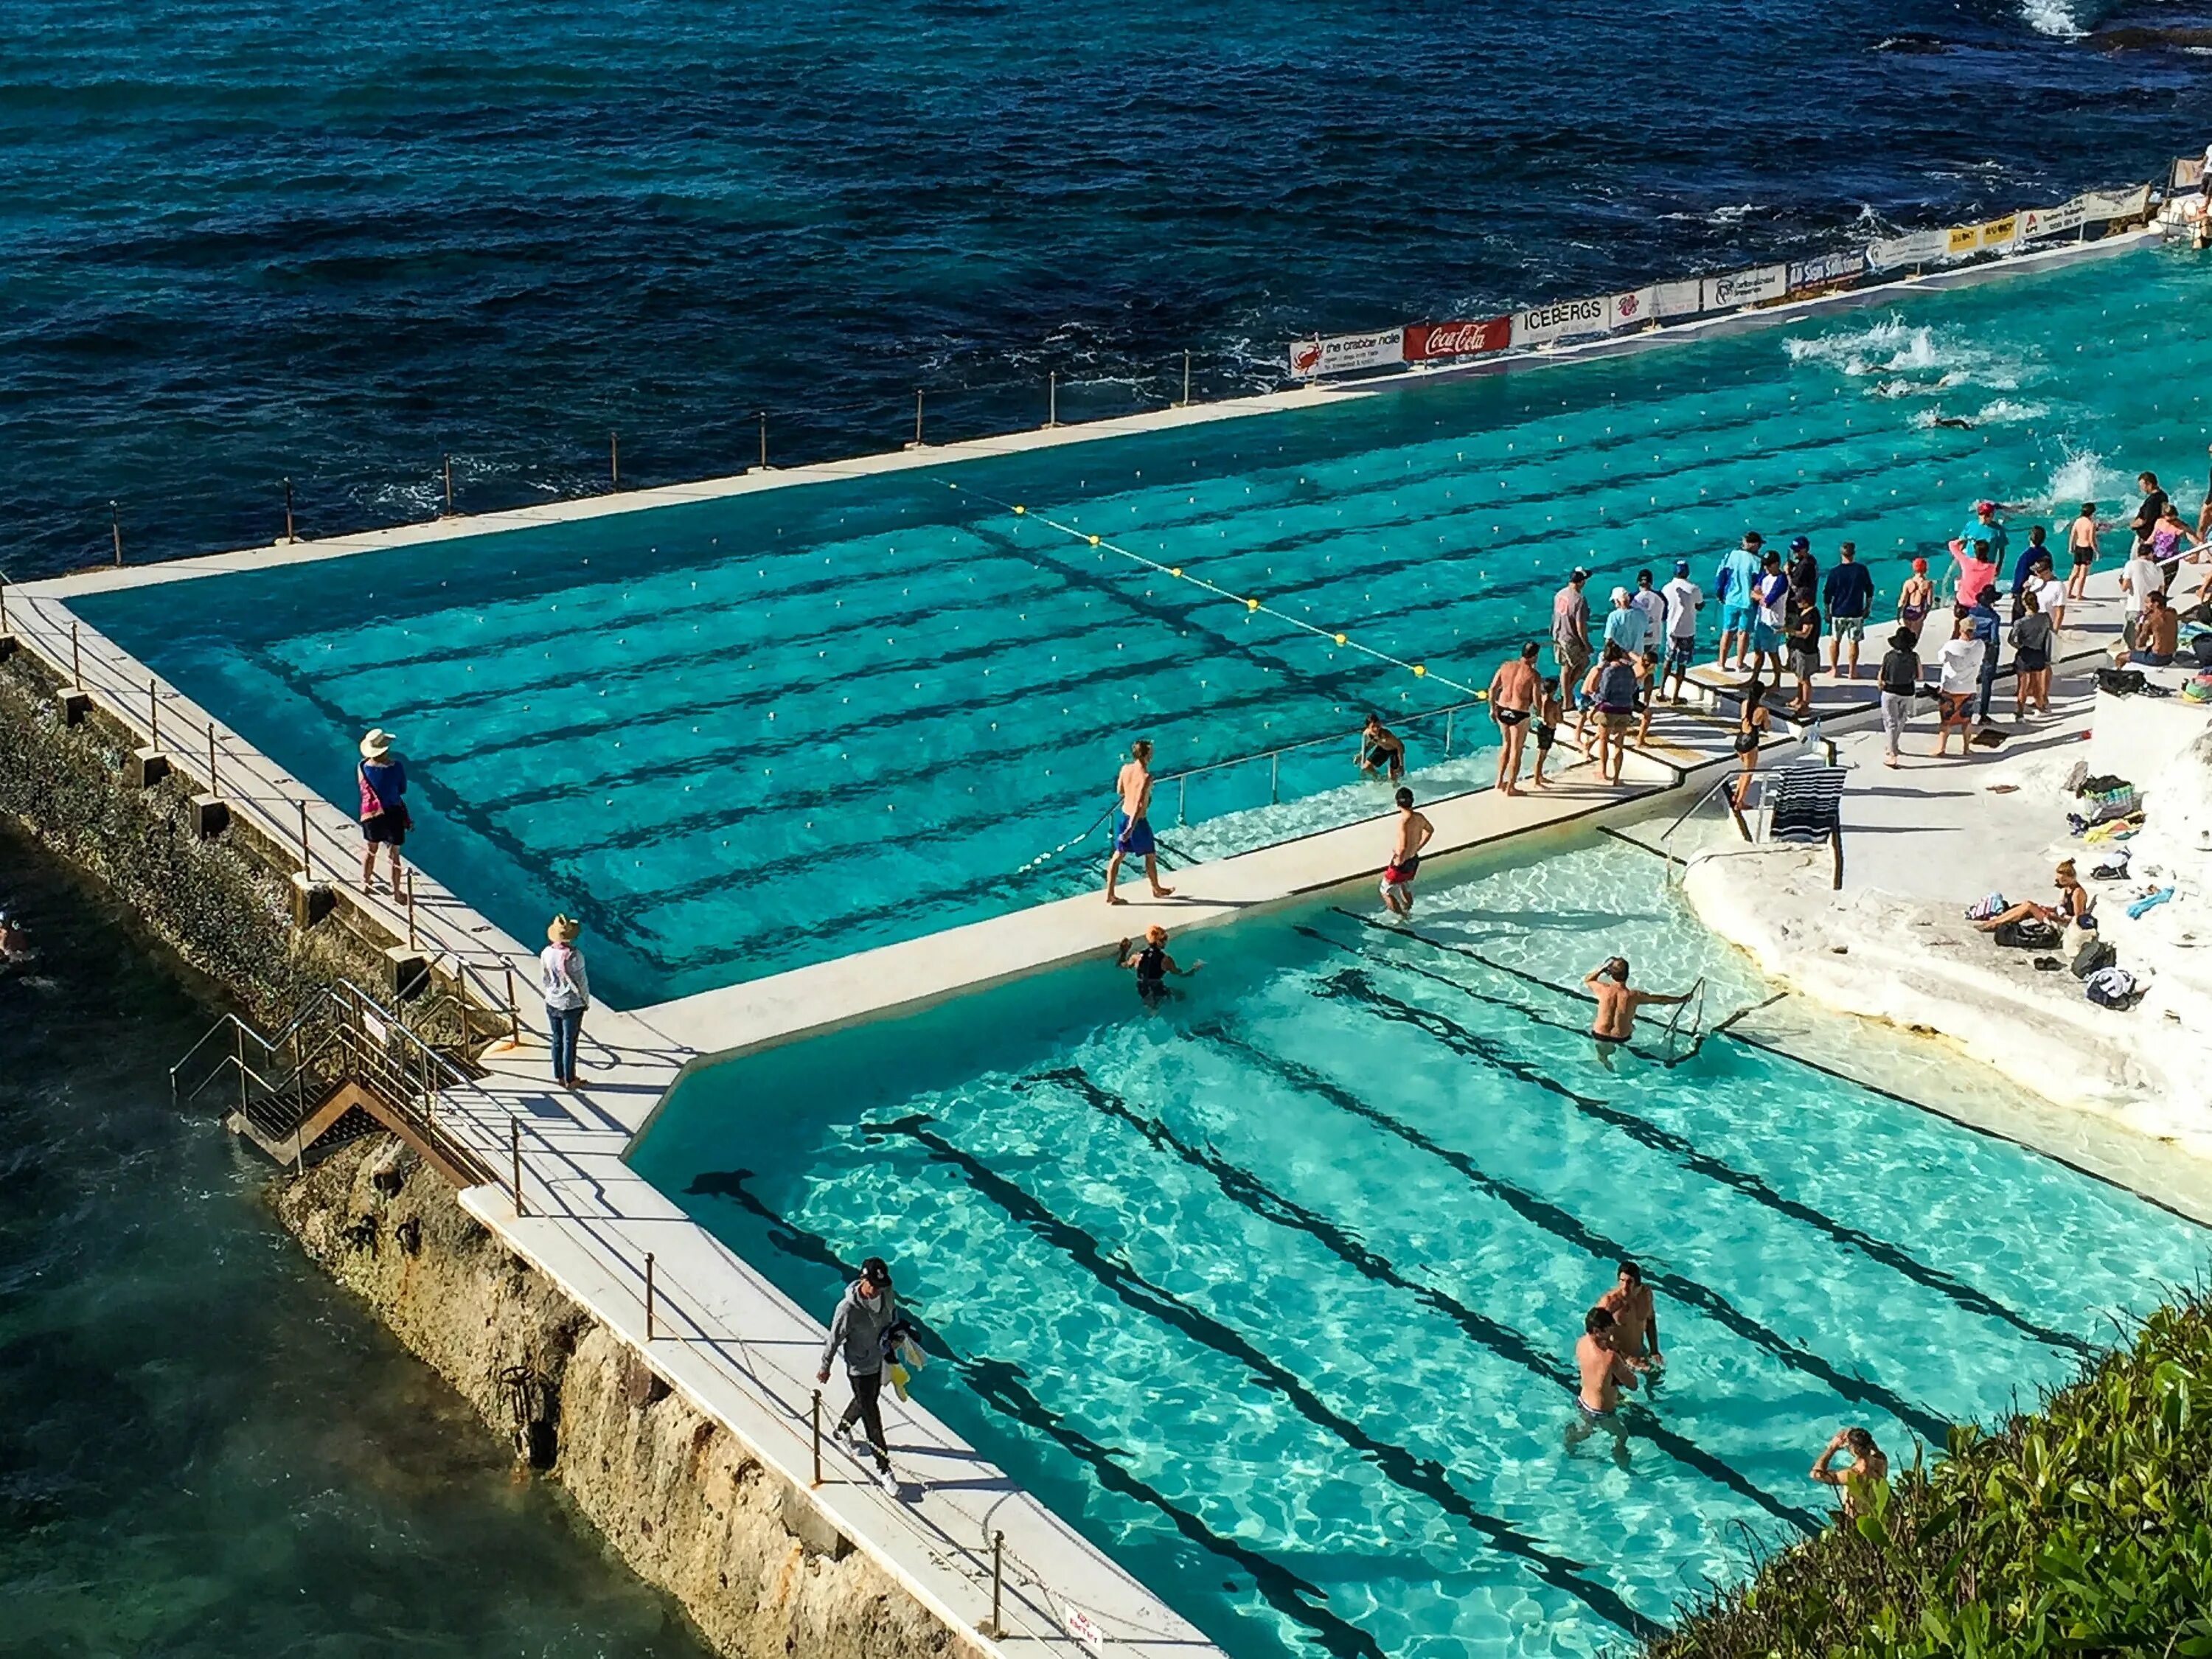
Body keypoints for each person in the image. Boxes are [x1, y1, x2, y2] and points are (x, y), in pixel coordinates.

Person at [816, 1258, 900, 1489]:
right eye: (872, 1284)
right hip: (859, 1367)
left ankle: (842, 1430)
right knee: (873, 1417)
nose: (876, 1290)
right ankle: (884, 1469)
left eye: (880, 1285)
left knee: (866, 1401)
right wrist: (825, 1367)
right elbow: (834, 1339)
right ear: (863, 1279)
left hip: (879, 1360)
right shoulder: (847, 1309)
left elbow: (894, 1316)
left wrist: (897, 1335)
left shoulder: (887, 1293)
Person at [1105, 740, 1175, 905]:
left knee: (1117, 856)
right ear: (1145, 755)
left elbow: (1120, 791)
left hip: (1124, 816)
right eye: (1150, 752)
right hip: (1137, 822)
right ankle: (1156, 888)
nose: (1153, 754)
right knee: (1150, 855)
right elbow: (1140, 805)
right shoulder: (1146, 777)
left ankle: (1110, 894)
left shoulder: (1125, 769)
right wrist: (1131, 827)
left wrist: (1132, 794)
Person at [1567, 1306, 1640, 1453]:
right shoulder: (1610, 1357)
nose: (1612, 1333)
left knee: (1586, 1431)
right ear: (1597, 1331)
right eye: (1608, 1330)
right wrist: (1627, 1365)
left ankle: (1569, 1442)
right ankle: (1621, 1463)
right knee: (1622, 1436)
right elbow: (1633, 1385)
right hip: (1601, 1412)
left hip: (1583, 1401)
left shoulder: (1581, 1343)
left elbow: (1595, 1372)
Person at [1583, 955, 1690, 1046]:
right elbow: (1661, 1000)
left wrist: (1601, 969)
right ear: (1628, 975)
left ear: (1610, 974)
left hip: (1599, 1034)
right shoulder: (1634, 996)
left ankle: (1603, 1058)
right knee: (1632, 1026)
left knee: (1602, 1051)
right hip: (1621, 1037)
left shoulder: (1602, 989)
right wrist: (1682, 999)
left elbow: (1587, 980)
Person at [356, 728, 410, 898]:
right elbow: (402, 789)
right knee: (395, 855)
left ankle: (365, 884)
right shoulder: (397, 767)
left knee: (371, 850)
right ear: (386, 749)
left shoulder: (362, 768)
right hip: (393, 814)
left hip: (371, 814)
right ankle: (396, 893)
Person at [540, 914, 591, 1088]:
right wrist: (585, 1001)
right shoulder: (575, 956)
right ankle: (571, 1079)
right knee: (570, 1042)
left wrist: (552, 992)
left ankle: (559, 1076)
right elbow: (581, 982)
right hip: (571, 1004)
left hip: (552, 1001)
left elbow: (545, 979)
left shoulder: (546, 953)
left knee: (557, 1039)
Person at [1976, 860, 2092, 933]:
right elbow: (2061, 908)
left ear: (2071, 877)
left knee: (2029, 906)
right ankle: (1996, 921)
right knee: (2027, 904)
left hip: (2064, 926)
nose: (2061, 883)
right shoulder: (2066, 888)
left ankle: (1995, 924)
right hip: (2057, 918)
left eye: (2064, 880)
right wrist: (2049, 910)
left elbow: (2078, 920)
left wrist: (2054, 917)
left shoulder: (2077, 893)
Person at [1488, 644, 1540, 796]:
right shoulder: (1534, 675)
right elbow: (1537, 702)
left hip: (1502, 709)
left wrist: (1492, 709)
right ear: (1535, 656)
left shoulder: (1506, 666)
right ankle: (1511, 787)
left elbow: (1492, 689)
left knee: (1505, 745)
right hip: (1519, 713)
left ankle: (1499, 781)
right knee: (1516, 750)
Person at [1596, 1261, 1663, 1369]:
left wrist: (1654, 1351)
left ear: (1637, 1283)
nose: (1625, 1287)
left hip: (1640, 1353)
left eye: (1629, 1282)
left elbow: (1650, 1320)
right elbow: (1595, 1334)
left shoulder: (1645, 1294)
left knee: (1657, 1377)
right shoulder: (1610, 1302)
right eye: (1622, 1281)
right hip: (1618, 1358)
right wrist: (1622, 1358)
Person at [1379, 787, 1435, 917]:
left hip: (1401, 862)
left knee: (1385, 890)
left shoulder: (1403, 823)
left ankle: (1401, 916)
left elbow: (1403, 846)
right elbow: (1430, 830)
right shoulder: (1419, 817)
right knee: (1404, 885)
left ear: (1397, 803)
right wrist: (1417, 848)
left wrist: (1399, 859)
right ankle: (1408, 910)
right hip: (1414, 859)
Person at [1589, 644, 1641, 785]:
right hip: (1625, 709)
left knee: (1604, 741)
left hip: (1609, 710)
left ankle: (1603, 771)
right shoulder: (1629, 670)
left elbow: (1604, 694)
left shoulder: (1608, 671)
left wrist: (1593, 695)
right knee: (1619, 744)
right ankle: (1617, 778)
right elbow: (1634, 688)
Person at [1810, 1428, 1890, 1518]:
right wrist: (1857, 1435)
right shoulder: (1882, 1461)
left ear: (1854, 1450)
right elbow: (1873, 1448)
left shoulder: (1850, 1475)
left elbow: (1815, 1474)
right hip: (1880, 1515)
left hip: (1857, 1521)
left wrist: (1832, 1448)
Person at [1935, 614, 1985, 757]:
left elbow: (1941, 658)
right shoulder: (1980, 645)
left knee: (1946, 721)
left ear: (1961, 629)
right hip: (1969, 688)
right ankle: (1966, 748)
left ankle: (1941, 748)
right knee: (1967, 720)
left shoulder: (1951, 645)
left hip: (1950, 688)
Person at [1823, 542, 1874, 678]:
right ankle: (1852, 671)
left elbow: (1828, 593)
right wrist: (1868, 607)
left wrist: (1827, 611)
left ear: (1841, 554)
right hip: (1856, 612)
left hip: (1838, 612)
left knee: (1835, 640)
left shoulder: (1834, 572)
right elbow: (1869, 589)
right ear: (1854, 554)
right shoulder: (1861, 570)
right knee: (1854, 642)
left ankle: (1834, 669)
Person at [1714, 533, 1764, 670]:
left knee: (1727, 631)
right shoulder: (1758, 562)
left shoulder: (1731, 555)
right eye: (1759, 544)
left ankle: (1721, 663)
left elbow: (1720, 577)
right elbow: (1759, 585)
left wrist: (1720, 594)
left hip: (1730, 599)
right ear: (1754, 545)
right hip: (1747, 602)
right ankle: (1739, 664)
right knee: (1743, 633)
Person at [1117, 925, 1200, 1004]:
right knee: (1181, 994)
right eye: (1164, 939)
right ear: (1158, 942)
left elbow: (1122, 965)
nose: (1166, 941)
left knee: (1152, 1010)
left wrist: (1124, 951)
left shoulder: (1137, 956)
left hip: (1142, 989)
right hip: (1157, 989)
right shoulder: (1166, 960)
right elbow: (1181, 975)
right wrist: (1195, 968)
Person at [1876, 627, 1921, 770]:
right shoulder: (1914, 657)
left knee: (1890, 722)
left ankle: (1893, 754)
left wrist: (1880, 682)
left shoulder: (1889, 656)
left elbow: (1882, 674)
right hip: (1908, 691)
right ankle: (1894, 744)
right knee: (1902, 719)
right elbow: (1920, 676)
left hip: (1890, 691)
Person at [1660, 560, 1702, 701]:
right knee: (1681, 664)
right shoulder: (1693, 588)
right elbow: (1700, 605)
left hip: (1671, 630)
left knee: (1668, 660)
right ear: (1687, 572)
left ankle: (1661, 691)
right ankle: (1675, 696)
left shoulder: (1666, 588)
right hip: (1687, 631)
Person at [2010, 589, 2054, 718]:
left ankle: (2020, 712)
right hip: (2039, 653)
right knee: (2037, 682)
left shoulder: (2021, 622)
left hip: (2025, 654)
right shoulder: (2045, 618)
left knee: (2023, 685)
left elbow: (2011, 639)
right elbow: (2050, 632)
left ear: (2025, 604)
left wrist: (2020, 646)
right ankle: (2040, 706)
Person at [1731, 678, 1773, 807]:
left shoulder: (1744, 704)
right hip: (1750, 744)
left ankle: (1736, 795)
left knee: (1744, 770)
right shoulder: (1762, 711)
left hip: (1739, 741)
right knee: (1748, 774)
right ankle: (1740, 802)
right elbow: (1767, 727)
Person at [1552, 568, 1593, 699]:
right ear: (1581, 582)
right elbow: (1580, 626)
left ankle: (1565, 698)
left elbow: (1555, 616)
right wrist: (1586, 644)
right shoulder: (1579, 599)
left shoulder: (1559, 594)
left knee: (1565, 668)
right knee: (1584, 662)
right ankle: (1567, 692)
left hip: (1558, 635)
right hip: (1571, 638)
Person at [1749, 549, 1789, 679]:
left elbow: (1767, 602)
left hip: (1774, 622)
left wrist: (1758, 596)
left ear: (1776, 564)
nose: (1765, 567)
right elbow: (1754, 590)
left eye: (1768, 565)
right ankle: (1754, 678)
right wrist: (1758, 595)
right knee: (1758, 650)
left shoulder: (1781, 580)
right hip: (1761, 620)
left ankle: (1777, 680)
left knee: (1773, 653)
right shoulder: (1765, 575)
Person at [1966, 585, 2003, 726]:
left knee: (1969, 681)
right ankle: (1983, 714)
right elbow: (1994, 639)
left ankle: (1966, 713)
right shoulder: (1994, 617)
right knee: (1986, 683)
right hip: (1987, 650)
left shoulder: (1972, 612)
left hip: (1972, 648)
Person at [1783, 586, 1821, 715]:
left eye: (1799, 601)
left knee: (1805, 679)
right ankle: (1798, 699)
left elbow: (1805, 634)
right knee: (1799, 677)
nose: (1797, 603)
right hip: (1799, 650)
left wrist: (1788, 630)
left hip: (1806, 651)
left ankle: (1805, 704)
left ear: (1806, 601)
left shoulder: (1811, 616)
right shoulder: (1804, 612)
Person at [2121, 540, 2164, 651]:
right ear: (2150, 554)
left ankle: (2133, 654)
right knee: (2144, 635)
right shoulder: (2158, 569)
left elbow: (2124, 587)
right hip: (2151, 609)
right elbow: (2161, 592)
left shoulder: (2131, 564)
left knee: (2130, 637)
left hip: (2135, 606)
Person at [2008, 524, 2052, 615]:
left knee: (2019, 616)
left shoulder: (2026, 556)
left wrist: (2015, 590)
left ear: (2030, 538)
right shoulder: (2047, 554)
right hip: (2041, 589)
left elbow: (2020, 575)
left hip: (2026, 591)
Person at [1950, 537, 2000, 612]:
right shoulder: (1992, 568)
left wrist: (1963, 539)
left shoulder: (1966, 562)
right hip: (1980, 604)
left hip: (1963, 603)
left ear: (1975, 551)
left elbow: (1951, 545)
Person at [1531, 676, 1563, 789]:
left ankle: (1539, 776)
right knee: (1541, 755)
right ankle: (1536, 781)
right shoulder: (1552, 704)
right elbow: (1559, 719)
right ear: (1554, 690)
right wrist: (1559, 707)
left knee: (1542, 755)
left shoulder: (1541, 700)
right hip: (1548, 730)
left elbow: (1542, 713)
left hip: (1543, 728)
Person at [2065, 501, 2101, 601]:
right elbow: (2092, 540)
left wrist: (2070, 547)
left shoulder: (2078, 521)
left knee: (2074, 572)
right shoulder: (2091, 524)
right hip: (2086, 550)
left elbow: (2073, 535)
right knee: (2083, 574)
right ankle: (2079, 595)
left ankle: (2069, 593)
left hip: (2078, 548)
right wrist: (2097, 552)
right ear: (2092, 513)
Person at [2132, 590, 2180, 666]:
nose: (2145, 605)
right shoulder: (2172, 613)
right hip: (2170, 656)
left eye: (2147, 602)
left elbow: (2139, 644)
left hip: (2156, 657)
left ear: (2156, 604)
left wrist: (2140, 624)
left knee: (2121, 657)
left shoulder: (2151, 620)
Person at [1959, 499, 2008, 571]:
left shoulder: (1998, 530)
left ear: (1992, 516)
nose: (1984, 518)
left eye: (1987, 515)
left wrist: (1999, 566)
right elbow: (1962, 542)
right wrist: (1960, 559)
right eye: (1981, 514)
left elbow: (2002, 550)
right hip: (1969, 564)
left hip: (1987, 566)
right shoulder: (1970, 525)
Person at [1896, 557, 1936, 645]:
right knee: (1914, 638)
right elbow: (1929, 602)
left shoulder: (1908, 583)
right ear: (1926, 569)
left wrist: (1898, 614)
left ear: (1914, 569)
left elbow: (1902, 600)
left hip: (1908, 611)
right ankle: (1911, 654)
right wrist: (1925, 613)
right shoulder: (1928, 584)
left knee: (1905, 637)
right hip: (1918, 612)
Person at [1356, 714, 1407, 782]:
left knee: (1392, 776)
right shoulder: (1367, 734)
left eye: (1378, 726)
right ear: (1368, 727)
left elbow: (1399, 746)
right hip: (1383, 748)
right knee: (1366, 767)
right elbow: (1372, 743)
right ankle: (1379, 778)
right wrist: (1361, 754)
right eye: (1373, 727)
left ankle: (1396, 786)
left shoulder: (1386, 735)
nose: (1376, 729)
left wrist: (1401, 765)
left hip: (1395, 750)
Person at [1632, 568, 1668, 655]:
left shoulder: (1632, 598)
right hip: (1655, 637)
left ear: (1638, 582)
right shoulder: (1660, 597)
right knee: (1650, 666)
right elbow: (1664, 617)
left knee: (1637, 665)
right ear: (1651, 583)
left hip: (1637, 639)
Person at [1601, 585, 1644, 658]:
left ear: (1617, 601)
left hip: (1620, 656)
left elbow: (1609, 639)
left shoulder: (1613, 616)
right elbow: (1646, 632)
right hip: (1638, 656)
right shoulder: (1641, 614)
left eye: (1613, 601)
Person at [1784, 536, 1820, 606]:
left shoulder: (1806, 565)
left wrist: (1787, 573)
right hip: (1806, 600)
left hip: (1801, 603)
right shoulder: (1811, 560)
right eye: (1793, 550)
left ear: (1805, 550)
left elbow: (1794, 585)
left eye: (1797, 550)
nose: (1794, 553)